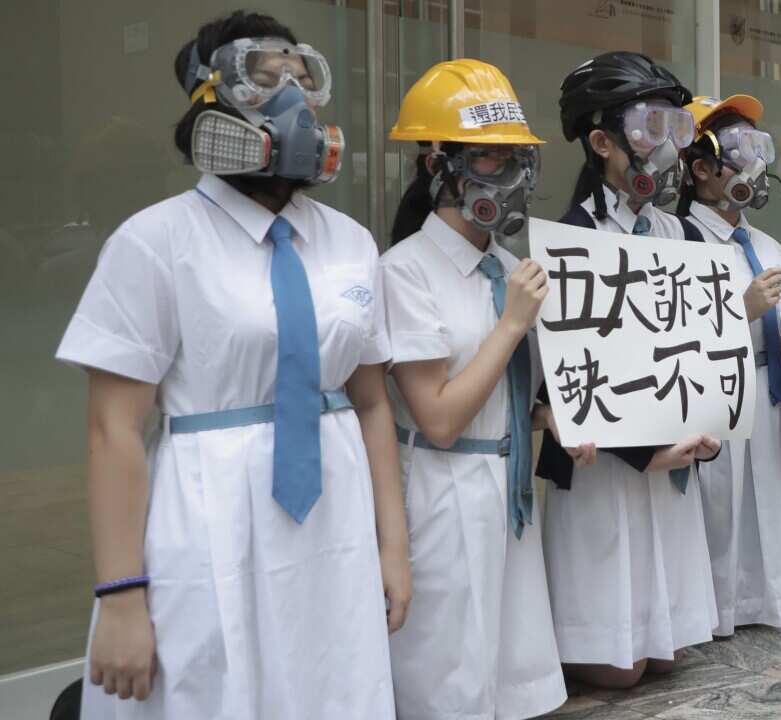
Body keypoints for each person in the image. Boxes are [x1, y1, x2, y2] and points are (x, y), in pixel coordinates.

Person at [58, 12, 409, 718]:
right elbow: (112, 430)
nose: (291, 100)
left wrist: (393, 549)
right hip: (207, 519)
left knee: (332, 689)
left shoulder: (350, 242)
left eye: (302, 80)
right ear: (208, 103)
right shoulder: (155, 242)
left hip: (334, 528)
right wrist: (121, 596)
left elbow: (372, 403)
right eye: (263, 79)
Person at [381, 59, 584, 719]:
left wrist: (549, 420)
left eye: (519, 160)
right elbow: (438, 417)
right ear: (439, 163)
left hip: (509, 497)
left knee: (508, 679)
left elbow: (497, 391)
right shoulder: (404, 271)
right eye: (495, 160)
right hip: (443, 496)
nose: (516, 179)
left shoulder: (504, 267)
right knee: (449, 680)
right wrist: (513, 324)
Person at [538, 50, 721, 689]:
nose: (668, 145)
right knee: (619, 667)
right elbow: (560, 381)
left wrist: (708, 430)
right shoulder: (568, 240)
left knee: (667, 654)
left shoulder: (683, 237)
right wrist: (645, 451)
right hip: (605, 466)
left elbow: (706, 351)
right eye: (650, 126)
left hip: (674, 458)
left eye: (678, 126)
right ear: (601, 142)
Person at [676, 94, 781, 634]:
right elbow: (672, 334)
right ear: (700, 166)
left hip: (766, 389)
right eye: (738, 148)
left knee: (768, 498)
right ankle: (715, 610)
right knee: (721, 506)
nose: (754, 163)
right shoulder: (679, 239)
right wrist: (741, 309)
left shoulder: (769, 245)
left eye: (759, 146)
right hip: (711, 390)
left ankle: (769, 595)